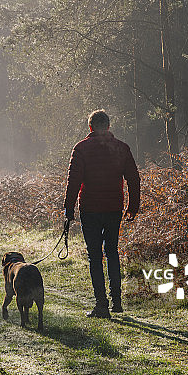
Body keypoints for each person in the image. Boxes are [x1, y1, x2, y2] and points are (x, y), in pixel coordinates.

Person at [63, 109, 140, 319]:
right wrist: (133, 206)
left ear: (90, 127)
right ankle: (117, 301)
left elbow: (73, 182)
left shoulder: (81, 149)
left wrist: (69, 209)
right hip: (114, 208)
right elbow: (134, 179)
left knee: (95, 256)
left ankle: (101, 305)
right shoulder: (121, 148)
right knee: (112, 252)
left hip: (90, 209)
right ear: (108, 126)